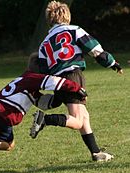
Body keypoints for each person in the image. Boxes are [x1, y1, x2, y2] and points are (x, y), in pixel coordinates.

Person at [30, 1, 123, 161]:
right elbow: (94, 49)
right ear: (67, 15)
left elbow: (43, 70)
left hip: (56, 81)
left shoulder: (44, 44)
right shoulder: (74, 30)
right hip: (73, 76)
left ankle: (96, 153)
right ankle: (44, 120)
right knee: (79, 120)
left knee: (83, 116)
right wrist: (112, 63)